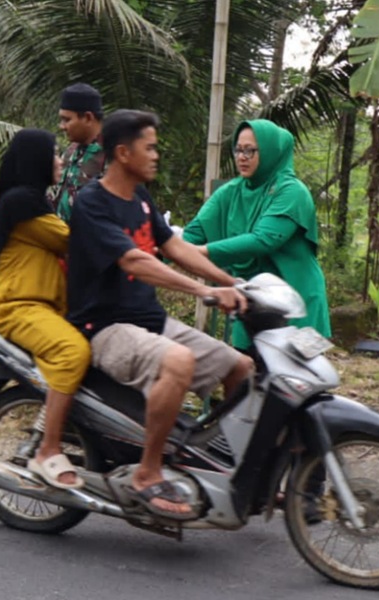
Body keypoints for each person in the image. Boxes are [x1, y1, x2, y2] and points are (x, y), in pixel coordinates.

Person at [66, 109, 255, 518]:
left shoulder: (140, 200)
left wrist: (234, 284)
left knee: (241, 366)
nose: (156, 155)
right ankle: (147, 474)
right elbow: (134, 261)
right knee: (178, 361)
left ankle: (218, 461)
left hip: (148, 320)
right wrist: (205, 291)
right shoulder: (92, 203)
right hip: (103, 327)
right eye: (149, 148)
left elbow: (175, 248)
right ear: (122, 153)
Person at [0, 129, 91, 489]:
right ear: (37, 161)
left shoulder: (28, 201)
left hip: (40, 306)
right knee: (72, 352)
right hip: (17, 306)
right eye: (55, 155)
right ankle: (48, 449)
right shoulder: (24, 206)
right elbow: (70, 239)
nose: (60, 161)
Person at [183, 119, 331, 349]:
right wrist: (155, 251)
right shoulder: (229, 193)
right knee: (248, 372)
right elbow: (194, 232)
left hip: (298, 301)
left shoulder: (291, 191)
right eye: (239, 150)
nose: (242, 157)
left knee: (298, 379)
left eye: (251, 150)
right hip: (255, 303)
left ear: (271, 151)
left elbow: (264, 239)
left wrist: (197, 252)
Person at [55, 82, 106, 222]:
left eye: (67, 120)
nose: (62, 126)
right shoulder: (70, 152)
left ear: (88, 118)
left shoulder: (112, 155)